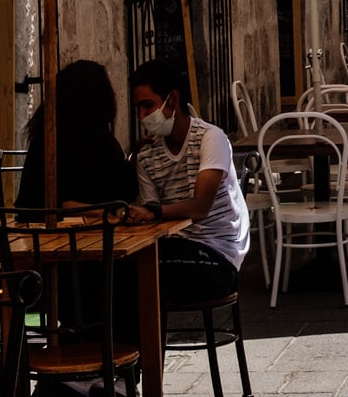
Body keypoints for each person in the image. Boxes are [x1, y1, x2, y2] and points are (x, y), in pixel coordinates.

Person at [127, 59, 250, 307]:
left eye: (147, 105)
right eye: (137, 108)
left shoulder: (210, 138)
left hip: (218, 256)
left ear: (172, 100)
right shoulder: (147, 156)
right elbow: (151, 216)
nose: (142, 116)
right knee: (126, 271)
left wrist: (152, 213)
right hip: (174, 247)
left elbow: (200, 206)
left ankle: (145, 345)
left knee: (133, 276)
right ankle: (143, 345)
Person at [16, 60, 137, 213]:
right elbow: (63, 204)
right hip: (75, 230)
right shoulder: (64, 141)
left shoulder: (49, 135)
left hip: (39, 228)